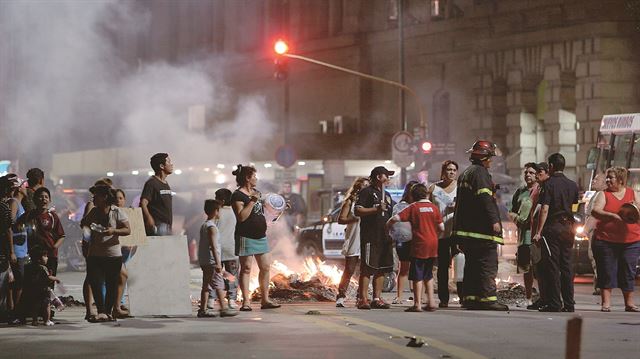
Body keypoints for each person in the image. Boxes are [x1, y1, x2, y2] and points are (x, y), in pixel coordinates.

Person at [452, 140, 508, 311]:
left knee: (472, 265)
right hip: (482, 231)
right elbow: (484, 199)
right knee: (487, 264)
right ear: (484, 158)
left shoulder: (467, 173)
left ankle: (471, 298)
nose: (491, 161)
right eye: (490, 157)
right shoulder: (481, 173)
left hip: (468, 231)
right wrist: (494, 221)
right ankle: (488, 299)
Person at [532, 153, 579, 312]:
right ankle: (569, 304)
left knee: (552, 265)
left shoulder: (548, 184)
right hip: (568, 228)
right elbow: (574, 206)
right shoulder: (572, 185)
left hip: (553, 227)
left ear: (551, 166)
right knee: (567, 266)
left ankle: (554, 303)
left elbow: (545, 209)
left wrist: (539, 231)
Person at [589, 167, 640, 312]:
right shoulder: (603, 194)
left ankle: (629, 303)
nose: (608, 180)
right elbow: (595, 210)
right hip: (606, 241)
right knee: (606, 271)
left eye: (611, 178)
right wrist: (612, 216)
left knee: (628, 272)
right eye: (607, 177)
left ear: (621, 180)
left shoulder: (632, 194)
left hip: (631, 241)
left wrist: (635, 207)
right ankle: (606, 303)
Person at [387, 183, 443, 312]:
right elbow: (442, 228)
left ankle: (417, 304)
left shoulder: (413, 207)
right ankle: (431, 302)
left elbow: (395, 218)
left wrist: (387, 226)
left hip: (419, 244)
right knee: (428, 274)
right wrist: (434, 235)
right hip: (433, 244)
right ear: (426, 194)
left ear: (412, 195)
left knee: (417, 275)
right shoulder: (434, 208)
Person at [231, 164, 280, 311]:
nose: (256, 179)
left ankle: (265, 300)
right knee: (246, 268)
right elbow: (241, 217)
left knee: (265, 267)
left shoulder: (256, 192)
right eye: (254, 176)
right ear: (247, 178)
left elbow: (262, 212)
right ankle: (246, 302)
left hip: (260, 236)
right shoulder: (237, 195)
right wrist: (252, 201)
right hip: (245, 236)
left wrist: (278, 208)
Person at [81, 185, 131, 322]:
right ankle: (101, 311)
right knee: (96, 283)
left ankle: (108, 312)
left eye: (96, 196)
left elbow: (128, 230)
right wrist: (85, 241)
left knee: (111, 284)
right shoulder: (94, 212)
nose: (93, 199)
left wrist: (113, 231)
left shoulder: (116, 212)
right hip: (95, 254)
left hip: (113, 254)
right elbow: (85, 227)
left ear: (104, 197)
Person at [355, 166, 396, 310]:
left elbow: (392, 215)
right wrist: (375, 209)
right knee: (367, 268)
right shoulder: (366, 192)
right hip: (370, 237)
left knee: (382, 269)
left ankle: (377, 298)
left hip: (385, 237)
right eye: (387, 176)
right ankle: (363, 299)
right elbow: (357, 210)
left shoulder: (389, 196)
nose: (389, 179)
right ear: (378, 177)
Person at [198, 199, 238, 318]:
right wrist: (218, 263)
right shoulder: (212, 228)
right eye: (219, 211)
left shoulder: (204, 225)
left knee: (206, 285)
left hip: (205, 260)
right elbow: (214, 247)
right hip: (212, 261)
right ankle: (224, 309)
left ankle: (202, 310)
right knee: (219, 284)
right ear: (216, 211)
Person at [20, 187, 65, 291]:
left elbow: (61, 236)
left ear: (49, 200)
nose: (44, 199)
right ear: (35, 200)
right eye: (41, 197)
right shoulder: (28, 215)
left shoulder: (53, 216)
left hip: (50, 256)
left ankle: (48, 305)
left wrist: (54, 247)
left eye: (46, 197)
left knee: (48, 283)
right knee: (33, 282)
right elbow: (17, 227)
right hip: (32, 255)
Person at [335, 177, 370, 308]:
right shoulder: (350, 201)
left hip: (367, 237)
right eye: (363, 185)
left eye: (368, 185)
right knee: (349, 269)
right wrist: (353, 219)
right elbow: (341, 219)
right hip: (354, 237)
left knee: (365, 270)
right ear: (357, 187)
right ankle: (341, 296)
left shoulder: (370, 201)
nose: (365, 188)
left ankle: (361, 297)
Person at [429, 160, 459, 308]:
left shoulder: (460, 188)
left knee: (460, 263)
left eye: (454, 170)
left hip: (456, 232)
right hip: (439, 233)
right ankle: (444, 298)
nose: (451, 172)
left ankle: (464, 295)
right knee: (442, 267)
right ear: (443, 171)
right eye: (449, 169)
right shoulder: (434, 188)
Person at [509, 163, 538, 308]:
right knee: (527, 269)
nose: (528, 175)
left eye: (531, 173)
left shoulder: (541, 191)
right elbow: (511, 210)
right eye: (526, 173)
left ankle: (544, 296)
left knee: (540, 268)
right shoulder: (520, 192)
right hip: (524, 236)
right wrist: (517, 219)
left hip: (537, 236)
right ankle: (528, 297)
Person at [389, 180, 417, 305]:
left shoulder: (419, 206)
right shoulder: (400, 206)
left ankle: (417, 296)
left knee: (415, 269)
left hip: (416, 240)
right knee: (404, 268)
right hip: (405, 240)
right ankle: (399, 296)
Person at [527, 162, 550, 310]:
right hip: (534, 233)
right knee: (538, 269)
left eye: (537, 172)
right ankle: (543, 298)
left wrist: (539, 232)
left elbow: (543, 210)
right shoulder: (537, 189)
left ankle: (549, 298)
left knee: (547, 268)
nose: (535, 175)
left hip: (541, 234)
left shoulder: (546, 188)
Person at [20, 246, 60, 326]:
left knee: (35, 305)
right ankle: (47, 320)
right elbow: (48, 277)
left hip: (33, 289)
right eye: (45, 256)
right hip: (44, 290)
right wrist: (56, 279)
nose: (47, 258)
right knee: (47, 305)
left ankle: (35, 320)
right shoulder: (43, 267)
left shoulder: (28, 266)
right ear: (38, 259)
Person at [7, 175, 29, 320]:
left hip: (22, 249)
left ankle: (16, 312)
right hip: (16, 248)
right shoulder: (14, 202)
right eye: (24, 186)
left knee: (19, 282)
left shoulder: (20, 203)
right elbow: (10, 224)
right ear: (19, 188)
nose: (26, 188)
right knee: (17, 282)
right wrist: (12, 252)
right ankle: (14, 312)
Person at [215, 188, 239, 310]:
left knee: (217, 275)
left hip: (217, 250)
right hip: (232, 249)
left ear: (222, 200)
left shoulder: (217, 212)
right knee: (232, 276)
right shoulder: (236, 212)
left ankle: (212, 299)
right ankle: (232, 300)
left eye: (216, 198)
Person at [140, 153, 173, 236]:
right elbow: (143, 203)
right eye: (168, 162)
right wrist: (149, 218)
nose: (171, 164)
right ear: (162, 166)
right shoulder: (151, 183)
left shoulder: (166, 183)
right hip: (158, 227)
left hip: (167, 226)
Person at [114, 189, 132, 317]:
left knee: (122, 276)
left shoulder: (127, 214)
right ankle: (115, 305)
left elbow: (133, 232)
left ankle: (119, 303)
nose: (118, 200)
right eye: (116, 198)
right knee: (120, 275)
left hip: (125, 250)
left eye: (121, 198)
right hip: (114, 249)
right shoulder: (113, 213)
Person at [0, 175, 16, 323]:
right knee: (2, 283)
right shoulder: (4, 207)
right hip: (1, 252)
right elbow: (8, 230)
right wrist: (11, 252)